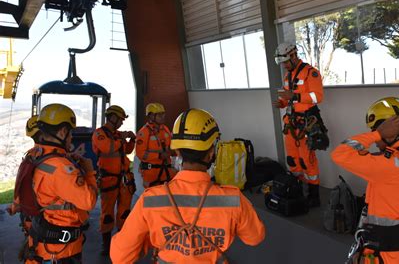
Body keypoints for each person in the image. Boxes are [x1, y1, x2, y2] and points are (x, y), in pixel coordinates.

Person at [110, 108, 265, 263]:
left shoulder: (149, 201)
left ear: (177, 152)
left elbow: (120, 256)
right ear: (212, 153)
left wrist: (153, 237)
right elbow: (254, 238)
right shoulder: (233, 200)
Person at [331, 97, 399, 264]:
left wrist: (378, 133)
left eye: (379, 130)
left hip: (387, 255)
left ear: (391, 130)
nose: (376, 141)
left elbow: (340, 154)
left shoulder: (388, 166)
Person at [24, 104, 97, 263]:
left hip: (42, 241)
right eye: (70, 133)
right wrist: (90, 172)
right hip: (61, 251)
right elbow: (89, 202)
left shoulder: (36, 154)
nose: (71, 137)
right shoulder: (61, 168)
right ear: (62, 132)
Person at [273, 42, 325, 207]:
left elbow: (318, 97)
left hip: (305, 124)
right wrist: (282, 103)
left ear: (294, 55)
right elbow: (286, 96)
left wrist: (294, 96)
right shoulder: (288, 76)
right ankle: (297, 189)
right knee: (293, 160)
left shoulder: (311, 73)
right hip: (291, 124)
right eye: (283, 63)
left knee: (307, 160)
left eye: (286, 62)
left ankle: (313, 195)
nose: (285, 65)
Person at [92, 105, 136, 256]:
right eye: (120, 119)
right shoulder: (99, 134)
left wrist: (132, 140)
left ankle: (121, 242)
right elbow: (108, 148)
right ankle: (106, 245)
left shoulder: (117, 134)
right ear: (112, 117)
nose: (122, 123)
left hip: (123, 180)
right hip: (108, 179)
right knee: (107, 214)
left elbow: (128, 151)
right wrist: (122, 138)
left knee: (124, 212)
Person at [136, 102, 176, 188]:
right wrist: (159, 156)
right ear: (151, 116)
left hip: (167, 173)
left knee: (168, 200)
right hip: (151, 174)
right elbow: (140, 154)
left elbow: (171, 145)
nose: (163, 117)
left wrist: (173, 151)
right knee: (153, 200)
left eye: (163, 114)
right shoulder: (144, 132)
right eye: (159, 115)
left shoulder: (165, 129)